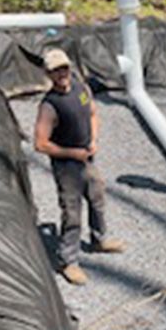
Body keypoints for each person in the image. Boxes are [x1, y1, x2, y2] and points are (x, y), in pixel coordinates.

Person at [34, 48, 125, 285]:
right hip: (67, 168)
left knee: (97, 197)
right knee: (72, 213)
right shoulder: (49, 106)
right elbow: (40, 144)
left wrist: (93, 140)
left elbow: (93, 113)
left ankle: (99, 239)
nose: (61, 74)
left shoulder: (80, 88)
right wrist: (71, 153)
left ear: (69, 67)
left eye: (63, 68)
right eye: (55, 71)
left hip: (86, 158)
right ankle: (68, 261)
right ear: (48, 74)